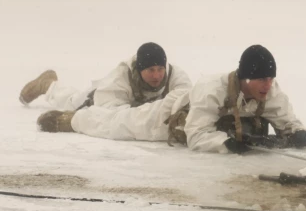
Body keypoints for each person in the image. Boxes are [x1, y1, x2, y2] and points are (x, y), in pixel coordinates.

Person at [20, 42, 192, 141]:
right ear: (139, 70)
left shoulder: (176, 77)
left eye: (160, 69)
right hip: (96, 98)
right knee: (71, 102)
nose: (157, 75)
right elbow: (111, 119)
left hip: (136, 107)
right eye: (150, 70)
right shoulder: (119, 80)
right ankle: (48, 85)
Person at [179, 44, 306, 153]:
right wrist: (226, 143)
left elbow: (287, 120)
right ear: (245, 78)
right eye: (262, 79)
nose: (268, 85)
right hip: (173, 116)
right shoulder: (212, 91)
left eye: (271, 78)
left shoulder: (269, 90)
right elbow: (196, 135)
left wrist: (298, 132)